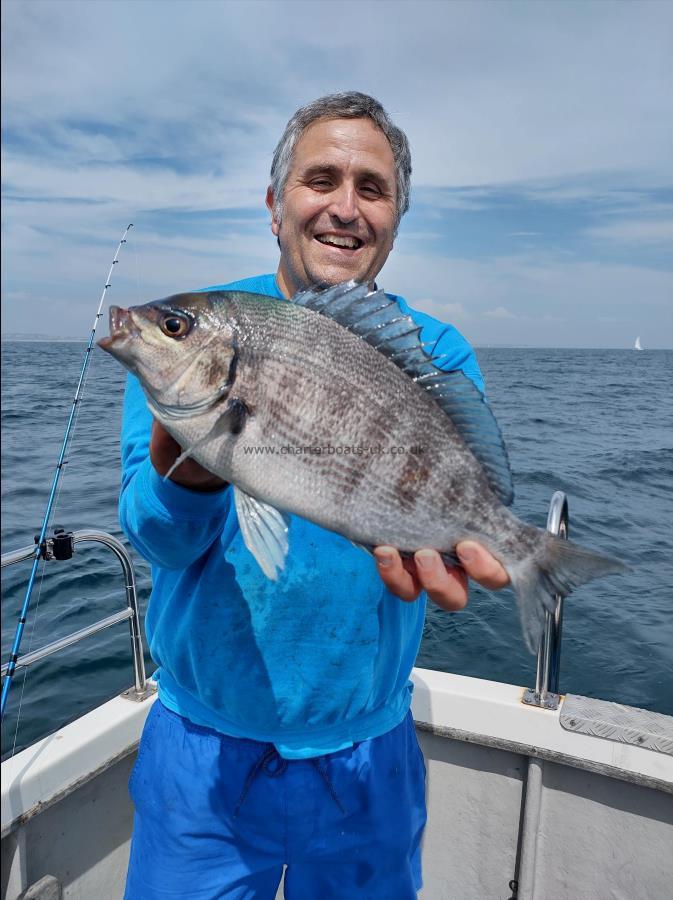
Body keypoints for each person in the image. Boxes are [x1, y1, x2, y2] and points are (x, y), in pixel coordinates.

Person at [121, 92, 508, 899]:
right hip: (201, 753)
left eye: (372, 188)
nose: (344, 206)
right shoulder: (197, 328)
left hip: (368, 755)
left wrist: (483, 536)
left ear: (396, 215)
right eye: (320, 178)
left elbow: (453, 511)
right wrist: (194, 462)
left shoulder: (434, 352)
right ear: (274, 205)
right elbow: (159, 542)